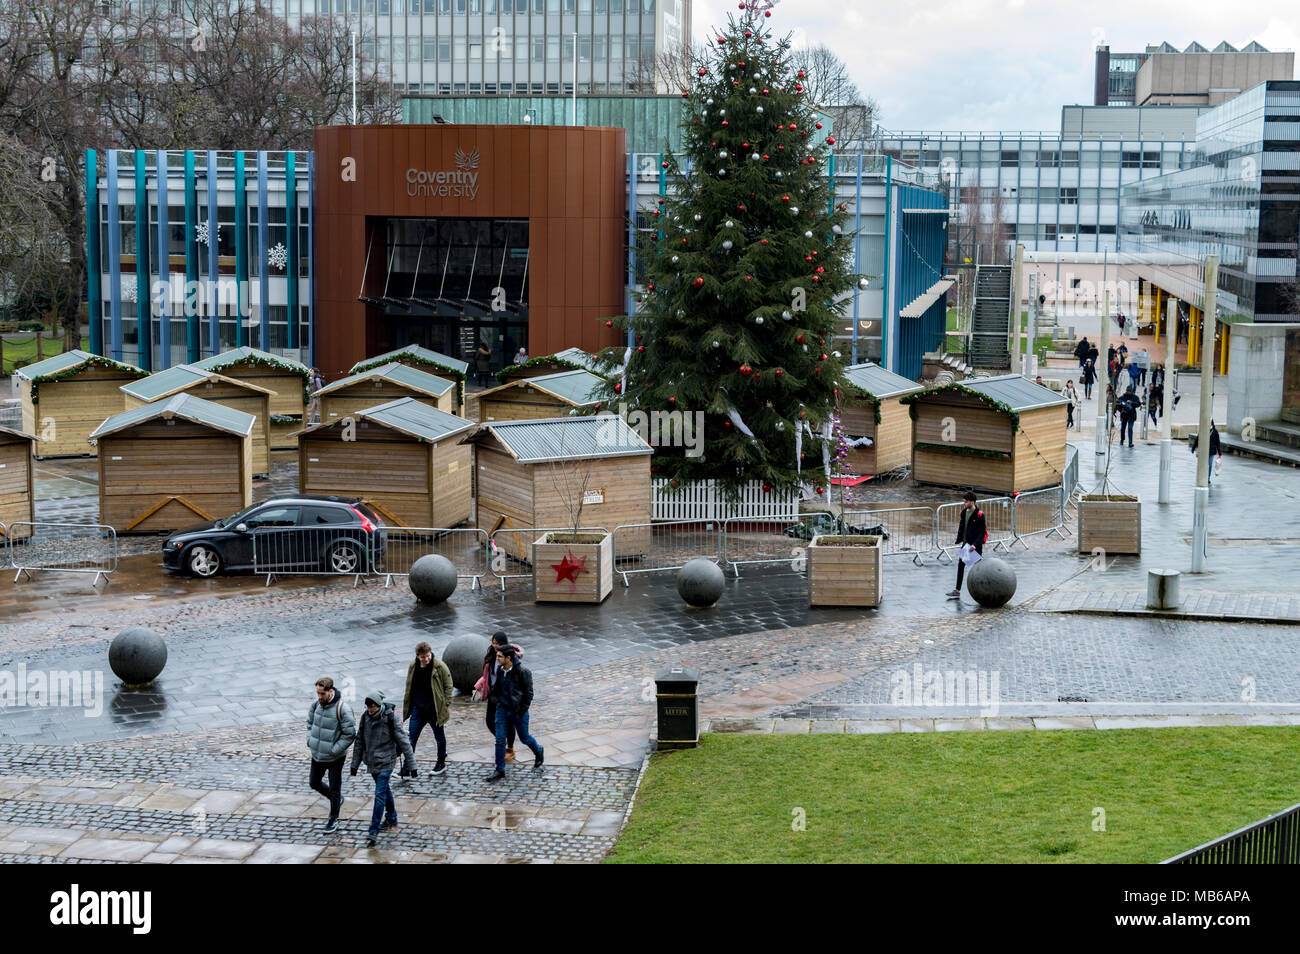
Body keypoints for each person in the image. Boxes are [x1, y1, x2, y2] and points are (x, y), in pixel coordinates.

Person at [350, 689, 415, 847]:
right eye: (367, 707)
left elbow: (404, 741)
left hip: (387, 761)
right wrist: (354, 764)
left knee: (379, 795)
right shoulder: (365, 718)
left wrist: (412, 765)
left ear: (379, 705)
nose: (370, 710)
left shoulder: (390, 718)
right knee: (385, 790)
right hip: (372, 762)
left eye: (372, 706)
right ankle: (392, 817)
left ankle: (373, 830)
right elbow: (359, 741)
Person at [485, 646, 543, 781]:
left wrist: (521, 710)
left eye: (499, 656)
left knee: (524, 738)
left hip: (518, 712)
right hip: (502, 710)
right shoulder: (500, 670)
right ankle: (499, 770)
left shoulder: (523, 672)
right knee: (499, 740)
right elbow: (497, 690)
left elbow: (529, 694)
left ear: (508, 658)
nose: (497, 659)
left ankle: (539, 751)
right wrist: (496, 701)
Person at [308, 676, 356, 834]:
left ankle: (333, 818)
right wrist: (310, 740)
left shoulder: (342, 708)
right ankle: (337, 800)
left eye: (322, 694)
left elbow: (349, 734)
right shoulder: (316, 705)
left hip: (335, 757)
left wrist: (334, 750)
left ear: (330, 691)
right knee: (314, 782)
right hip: (318, 754)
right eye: (318, 693)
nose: (319, 697)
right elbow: (309, 722)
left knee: (335, 788)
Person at [402, 642, 453, 776]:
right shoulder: (413, 666)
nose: (426, 659)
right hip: (418, 710)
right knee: (410, 739)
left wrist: (445, 705)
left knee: (439, 738)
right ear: (418, 656)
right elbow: (409, 686)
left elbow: (448, 686)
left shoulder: (439, 666)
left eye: (428, 656)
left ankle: (441, 763)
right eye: (423, 657)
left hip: (434, 710)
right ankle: (407, 768)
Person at [479, 632, 522, 761]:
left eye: (498, 644)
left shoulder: (510, 658)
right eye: (493, 643)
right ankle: (502, 741)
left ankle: (510, 749)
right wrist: (479, 686)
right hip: (493, 693)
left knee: (508, 723)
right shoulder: (491, 654)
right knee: (489, 721)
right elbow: (488, 675)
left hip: (505, 695)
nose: (495, 646)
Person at [947, 491, 987, 601]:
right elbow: (962, 527)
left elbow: (982, 532)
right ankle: (957, 591)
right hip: (966, 544)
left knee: (978, 568)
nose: (964, 503)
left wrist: (975, 544)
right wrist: (960, 539)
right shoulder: (964, 512)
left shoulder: (980, 514)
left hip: (975, 545)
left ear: (972, 502)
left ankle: (985, 589)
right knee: (961, 564)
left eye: (966, 501)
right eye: (964, 501)